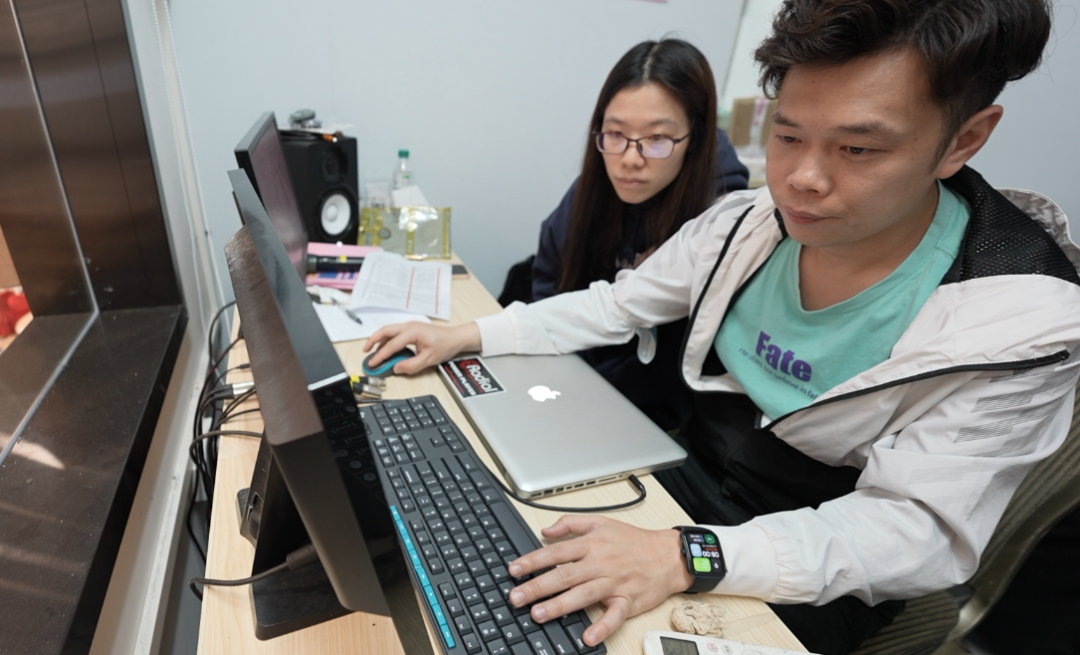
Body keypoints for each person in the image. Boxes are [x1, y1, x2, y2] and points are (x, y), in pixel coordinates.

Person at [367, 1, 1080, 652]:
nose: (801, 178)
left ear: (963, 140)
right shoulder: (743, 226)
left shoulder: (1020, 323)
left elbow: (913, 530)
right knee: (502, 569)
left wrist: (685, 554)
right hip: (689, 478)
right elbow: (617, 305)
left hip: (823, 559)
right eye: (787, 135)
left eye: (857, 149)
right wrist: (470, 335)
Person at [531, 39, 749, 431]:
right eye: (615, 133)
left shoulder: (718, 224)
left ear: (695, 137)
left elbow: (678, 372)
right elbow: (548, 287)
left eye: (656, 139)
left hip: (654, 420)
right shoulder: (592, 190)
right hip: (566, 385)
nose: (630, 159)